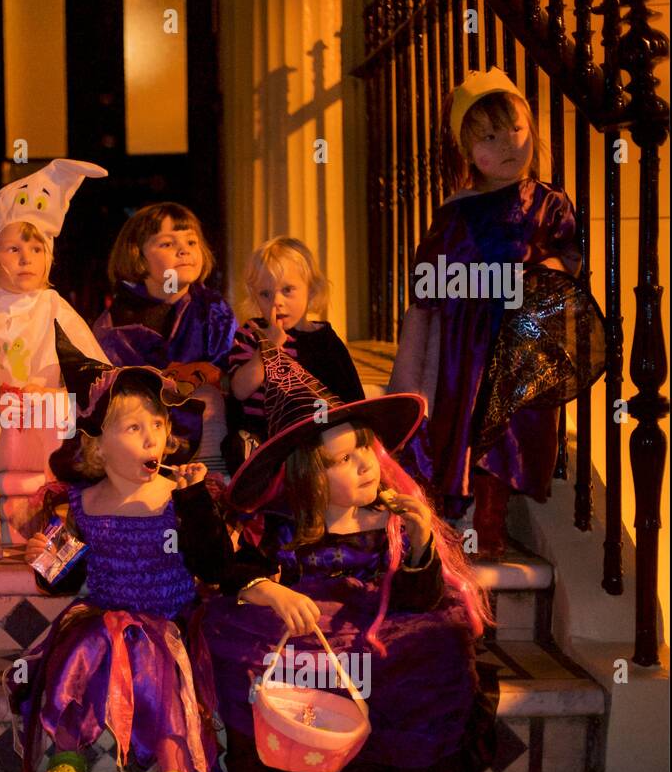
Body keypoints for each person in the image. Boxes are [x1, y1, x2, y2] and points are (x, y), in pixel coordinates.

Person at [204, 348, 498, 772]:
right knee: (238, 642)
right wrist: (271, 591)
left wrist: (421, 541)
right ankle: (251, 769)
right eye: (343, 459)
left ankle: (416, 768)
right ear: (309, 477)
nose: (365, 464)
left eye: (364, 447)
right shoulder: (281, 525)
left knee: (435, 640)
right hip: (304, 629)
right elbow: (236, 571)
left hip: (373, 627)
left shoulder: (389, 521)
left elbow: (415, 599)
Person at [8, 324, 250, 772]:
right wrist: (45, 558)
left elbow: (213, 566)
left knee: (154, 655)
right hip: (104, 613)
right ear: (98, 442)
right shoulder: (81, 504)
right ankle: (68, 752)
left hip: (171, 622)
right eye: (134, 428)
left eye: (158, 426)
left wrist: (194, 505)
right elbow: (62, 583)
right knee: (82, 646)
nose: (152, 438)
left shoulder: (177, 494)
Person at [388, 68, 592, 556]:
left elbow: (570, 256)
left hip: (522, 339)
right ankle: (465, 514)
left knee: (515, 427)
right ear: (466, 148)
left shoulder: (548, 203)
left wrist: (544, 270)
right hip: (469, 343)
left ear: (533, 129)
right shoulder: (458, 211)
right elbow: (428, 276)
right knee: (469, 424)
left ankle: (492, 518)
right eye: (489, 137)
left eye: (516, 129)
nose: (507, 145)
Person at [0, 159, 111, 560]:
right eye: (13, 248)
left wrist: (50, 393)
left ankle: (53, 517)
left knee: (66, 408)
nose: (26, 258)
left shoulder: (56, 310)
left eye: (36, 248)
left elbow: (97, 381)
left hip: (42, 435)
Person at [93, 202, 236, 470]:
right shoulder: (118, 321)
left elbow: (227, 371)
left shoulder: (213, 310)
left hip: (204, 436)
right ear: (138, 256)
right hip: (142, 436)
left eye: (192, 242)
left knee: (209, 397)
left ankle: (213, 483)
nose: (184, 250)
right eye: (167, 244)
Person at [223, 235, 363, 474]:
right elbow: (239, 389)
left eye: (287, 290)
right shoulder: (251, 333)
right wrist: (267, 349)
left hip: (312, 435)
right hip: (261, 436)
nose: (277, 302)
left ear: (311, 290)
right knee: (238, 448)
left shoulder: (325, 340)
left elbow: (351, 397)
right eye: (265, 294)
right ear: (254, 296)